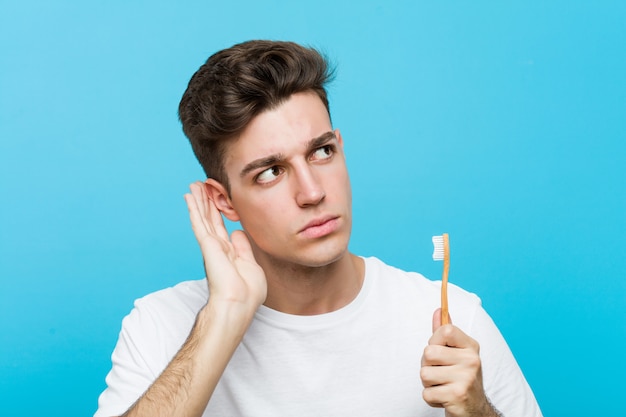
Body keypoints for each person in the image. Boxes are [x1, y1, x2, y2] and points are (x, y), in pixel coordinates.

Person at [95, 40, 542, 417]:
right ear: (223, 200)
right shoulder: (160, 326)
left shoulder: (453, 321)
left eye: (321, 152)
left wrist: (479, 410)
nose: (312, 192)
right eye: (270, 172)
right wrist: (223, 316)